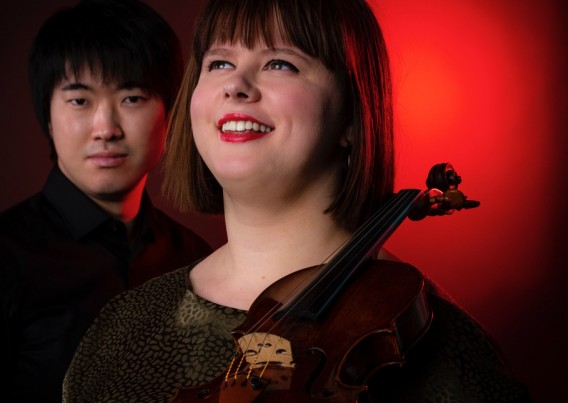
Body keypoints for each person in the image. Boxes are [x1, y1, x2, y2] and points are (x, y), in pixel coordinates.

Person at [63, 0, 533, 401]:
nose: (236, 86)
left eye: (280, 63)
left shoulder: (441, 348)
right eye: (219, 62)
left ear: (351, 115)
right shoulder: (122, 328)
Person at [0, 0, 213, 401]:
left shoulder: (196, 260)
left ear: (169, 113)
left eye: (131, 97)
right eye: (80, 100)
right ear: (48, 117)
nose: (106, 128)